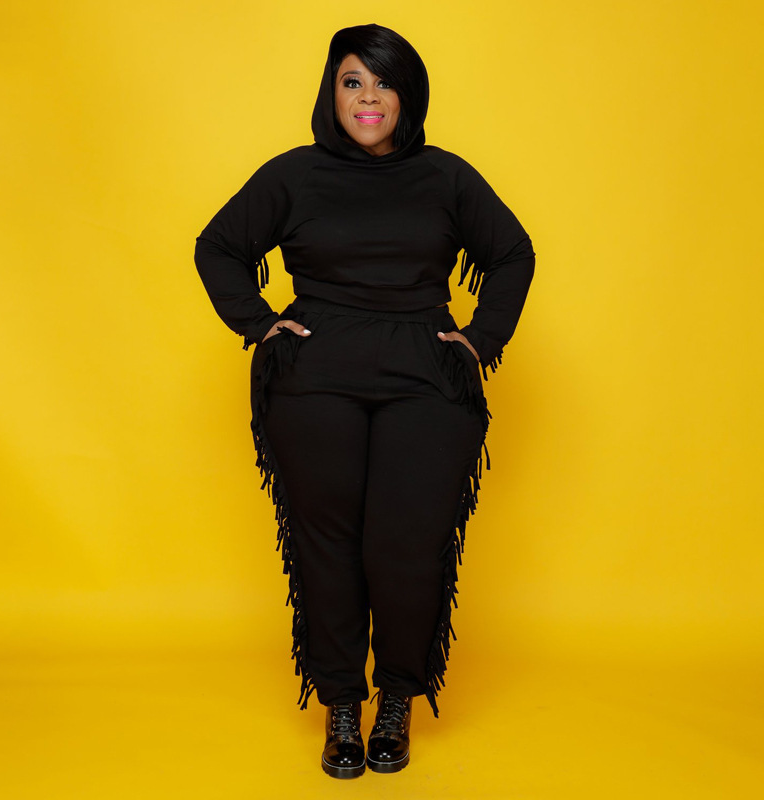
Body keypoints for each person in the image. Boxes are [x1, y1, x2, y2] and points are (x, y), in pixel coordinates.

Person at [194, 23, 535, 779]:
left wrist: (480, 338)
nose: (369, 98)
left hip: (425, 376)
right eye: (353, 81)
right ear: (333, 92)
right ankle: (343, 703)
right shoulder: (293, 174)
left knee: (405, 546)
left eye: (384, 82)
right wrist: (260, 323)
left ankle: (398, 699)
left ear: (407, 95)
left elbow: (512, 252)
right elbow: (217, 245)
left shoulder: (446, 177)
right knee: (327, 545)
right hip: (314, 377)